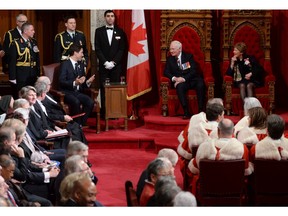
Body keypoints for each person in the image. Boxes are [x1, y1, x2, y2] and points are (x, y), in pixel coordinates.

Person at [187, 118, 251, 195]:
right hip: (234, 191)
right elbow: (246, 172)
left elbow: (194, 169)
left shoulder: (204, 147)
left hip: (208, 191)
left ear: (217, 131)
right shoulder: (242, 148)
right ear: (233, 131)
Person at [177, 99, 224, 190]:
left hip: (200, 174)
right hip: (225, 177)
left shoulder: (194, 130)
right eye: (223, 114)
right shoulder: (226, 131)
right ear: (219, 117)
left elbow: (185, 154)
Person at [35, 76, 88, 145]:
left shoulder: (48, 94)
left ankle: (81, 147)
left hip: (59, 119)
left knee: (76, 126)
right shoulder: (41, 100)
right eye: (49, 84)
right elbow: (48, 116)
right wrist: (62, 118)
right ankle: (78, 148)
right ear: (45, 86)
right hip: (56, 121)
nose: (50, 86)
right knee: (75, 129)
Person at [94, 10, 127, 118]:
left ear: (114, 18)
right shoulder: (99, 31)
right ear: (105, 18)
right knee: (104, 89)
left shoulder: (120, 31)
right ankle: (105, 113)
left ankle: (115, 113)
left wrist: (113, 62)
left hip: (116, 67)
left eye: (112, 16)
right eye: (108, 16)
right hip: (104, 67)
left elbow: (121, 49)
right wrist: (105, 62)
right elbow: (98, 49)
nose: (110, 18)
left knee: (115, 89)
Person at [164, 40, 205, 119]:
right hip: (181, 82)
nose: (171, 51)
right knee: (179, 87)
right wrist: (174, 78)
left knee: (200, 84)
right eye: (170, 49)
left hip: (192, 79)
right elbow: (166, 72)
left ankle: (200, 110)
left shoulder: (188, 57)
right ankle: (186, 111)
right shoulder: (170, 59)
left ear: (180, 49)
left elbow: (193, 70)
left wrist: (183, 78)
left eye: (173, 49)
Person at [59, 44, 95, 126]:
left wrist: (88, 82)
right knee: (76, 102)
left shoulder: (81, 65)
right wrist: (74, 83)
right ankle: (76, 124)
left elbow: (82, 82)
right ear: (75, 53)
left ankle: (81, 123)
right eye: (81, 53)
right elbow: (61, 81)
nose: (83, 55)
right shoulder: (65, 64)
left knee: (90, 102)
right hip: (67, 92)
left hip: (78, 92)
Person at [8, 22, 40, 99]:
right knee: (21, 96)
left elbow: (37, 59)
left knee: (31, 96)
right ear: (25, 31)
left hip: (32, 74)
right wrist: (12, 78)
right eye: (32, 30)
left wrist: (38, 74)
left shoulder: (33, 42)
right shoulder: (16, 43)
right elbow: (12, 61)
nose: (34, 32)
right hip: (21, 74)